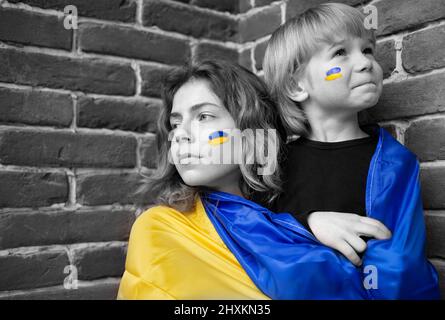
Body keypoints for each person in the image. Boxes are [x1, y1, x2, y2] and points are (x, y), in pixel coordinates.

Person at [117, 60, 404, 300]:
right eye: (176, 123)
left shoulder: (295, 212)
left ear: (252, 130)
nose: (180, 134)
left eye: (204, 116)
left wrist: (303, 225)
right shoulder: (160, 230)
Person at [261, 2, 440, 299]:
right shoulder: (275, 163)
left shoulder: (396, 163)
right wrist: (309, 223)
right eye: (340, 53)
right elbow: (255, 236)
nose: (365, 62)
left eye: (367, 50)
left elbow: (402, 265)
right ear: (296, 85)